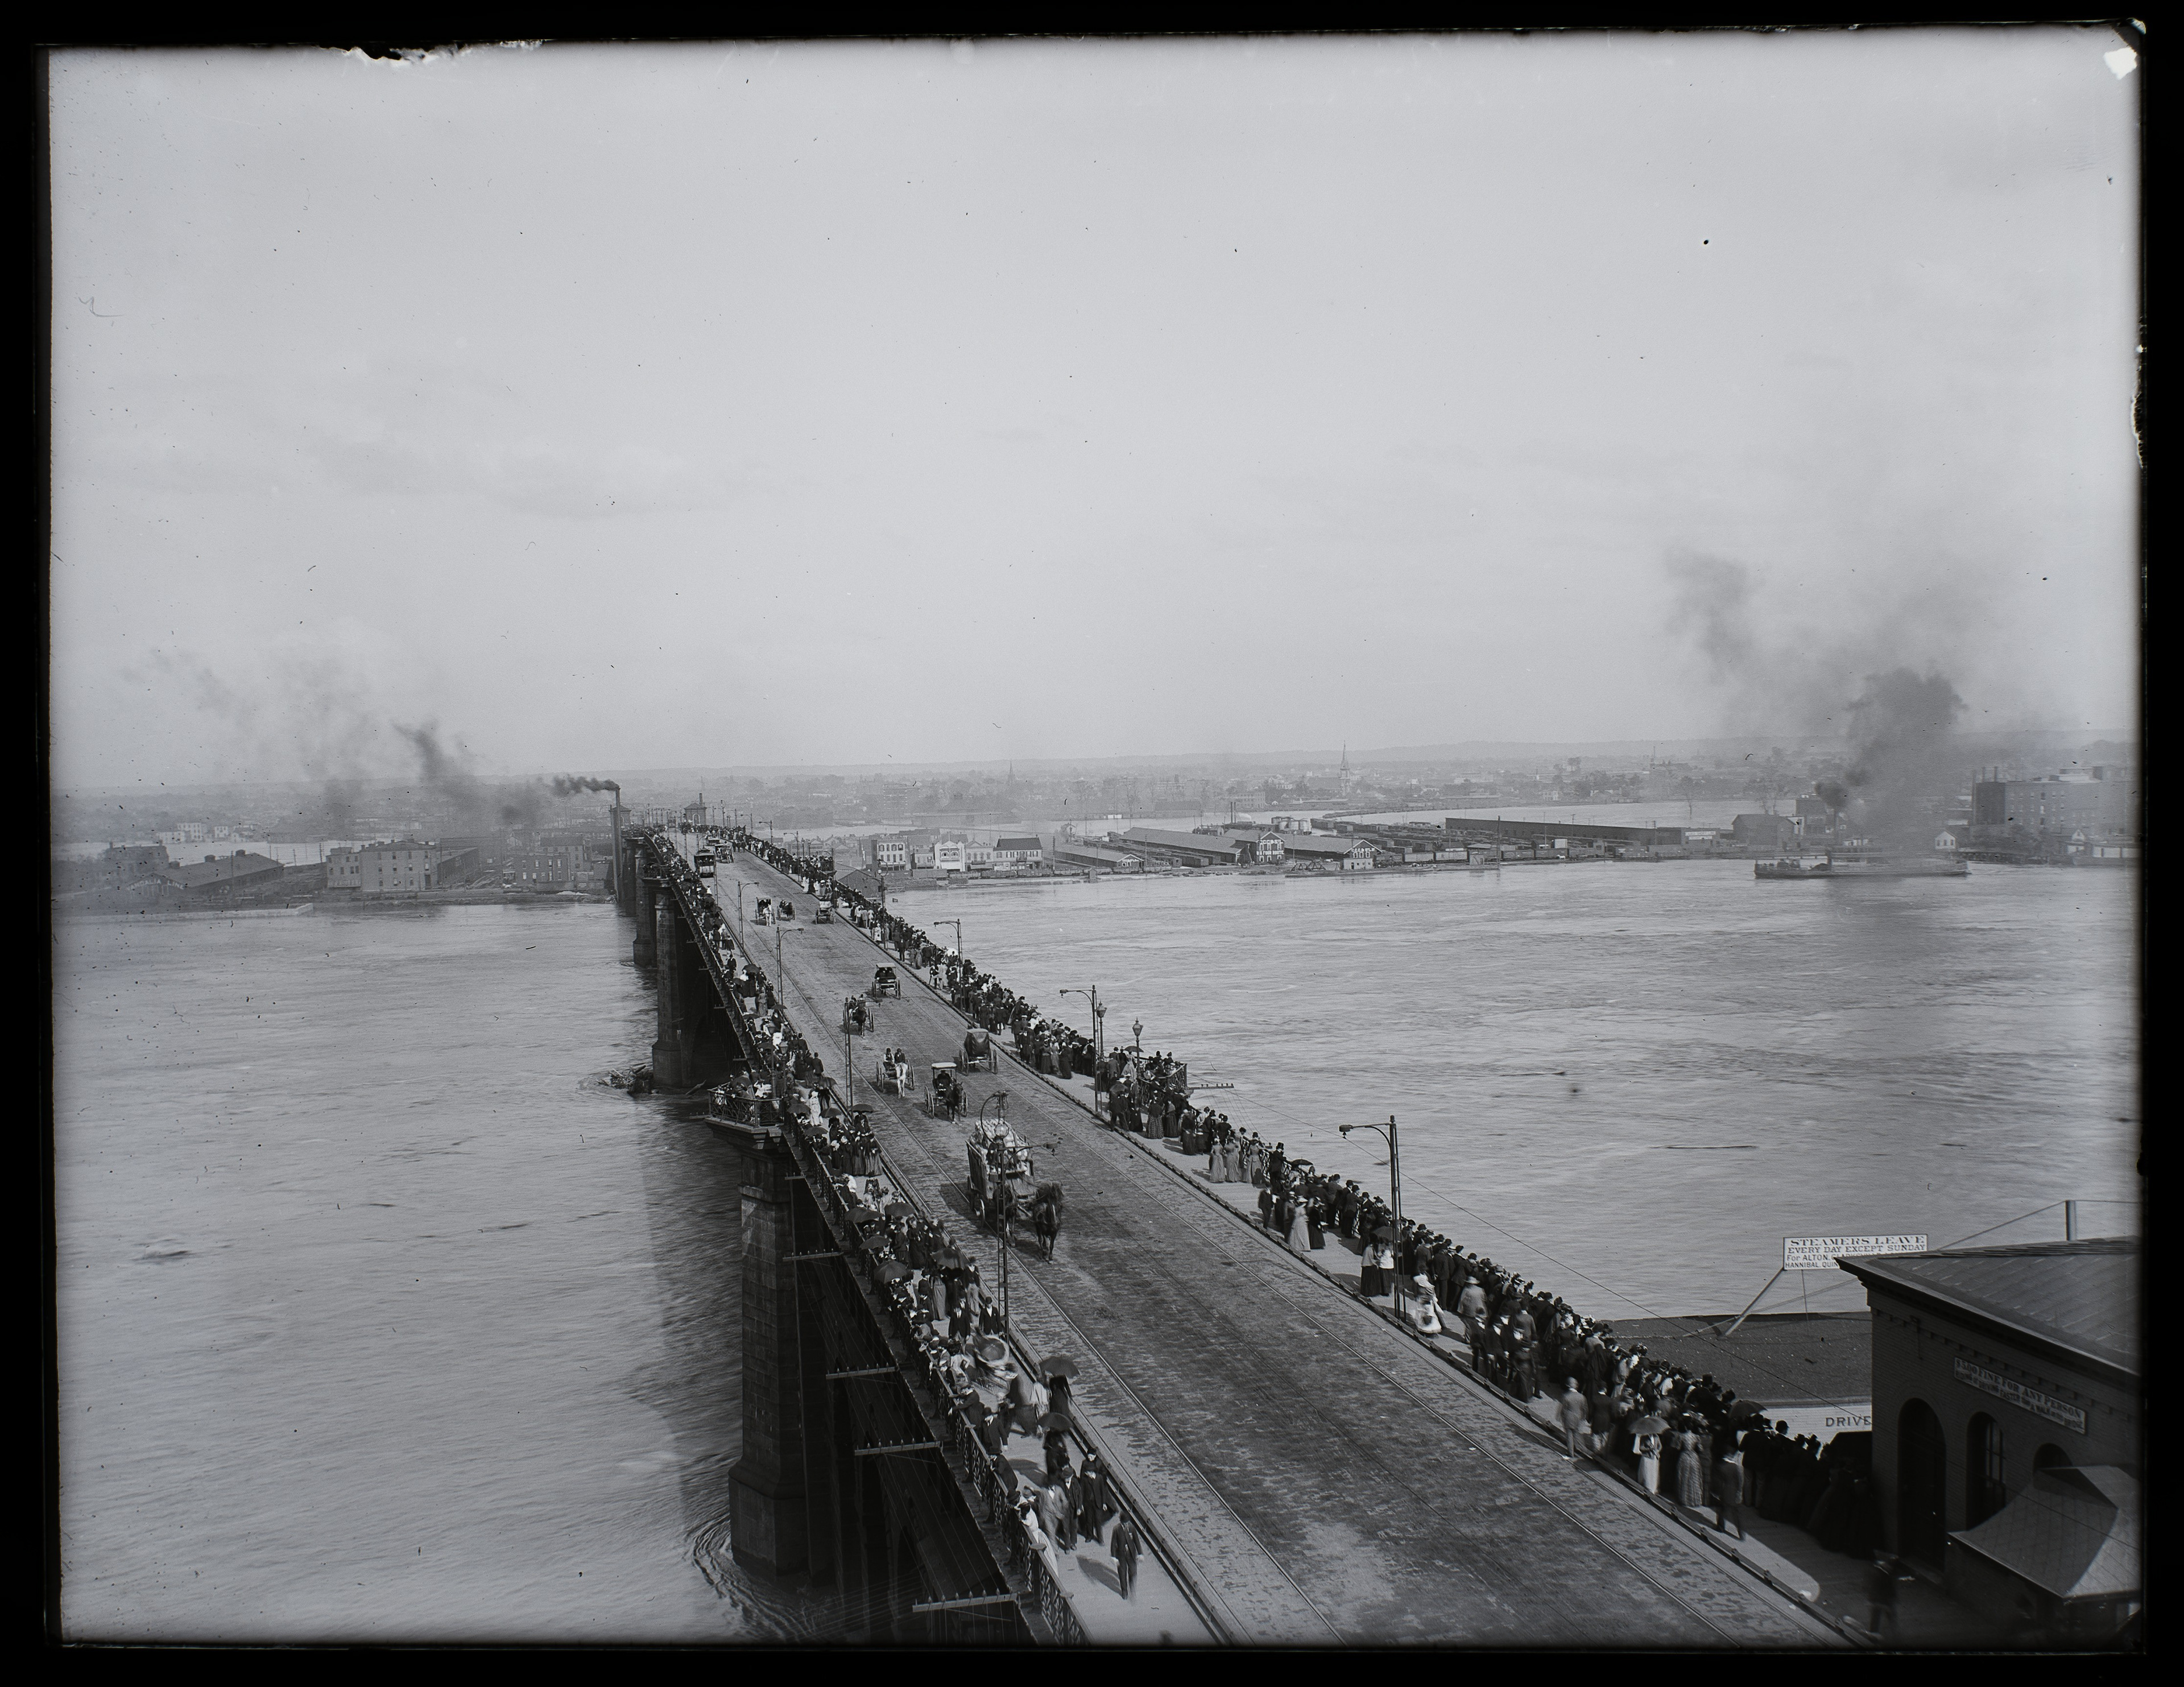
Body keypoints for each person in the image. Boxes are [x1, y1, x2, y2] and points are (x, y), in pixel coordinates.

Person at [1713, 1443, 1746, 1539]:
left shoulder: (1721, 1467)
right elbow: (1740, 1481)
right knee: (1736, 1514)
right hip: (1734, 1492)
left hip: (1724, 1493)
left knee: (1721, 1512)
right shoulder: (1736, 1467)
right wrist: (1739, 1492)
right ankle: (1741, 1533)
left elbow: (1718, 1483)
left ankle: (1721, 1528)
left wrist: (1716, 1493)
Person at [1109, 1512, 1141, 1601]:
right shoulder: (1116, 1529)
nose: (1127, 1525)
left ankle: (1132, 1586)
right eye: (1125, 1523)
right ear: (1122, 1522)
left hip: (1131, 1554)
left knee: (1133, 1571)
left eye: (1128, 1523)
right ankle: (1124, 1591)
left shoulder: (1132, 1528)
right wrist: (1113, 1557)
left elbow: (1137, 1541)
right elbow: (1113, 1543)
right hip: (1121, 1554)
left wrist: (1140, 1553)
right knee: (1122, 1573)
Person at [1558, 1377, 1590, 1460]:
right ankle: (1583, 1449)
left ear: (1568, 1386)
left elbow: (1563, 1410)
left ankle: (1571, 1453)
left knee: (1569, 1436)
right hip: (1578, 1418)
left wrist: (1561, 1417)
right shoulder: (1582, 1397)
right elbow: (1585, 1409)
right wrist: (1584, 1418)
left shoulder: (1566, 1396)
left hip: (1569, 1419)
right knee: (1577, 1434)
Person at [1636, 1428, 1663, 1495]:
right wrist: (1648, 1449)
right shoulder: (1644, 1437)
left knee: (1653, 1472)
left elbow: (1660, 1446)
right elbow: (1641, 1448)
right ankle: (1646, 1485)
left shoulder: (1657, 1437)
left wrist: (1657, 1451)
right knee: (1647, 1472)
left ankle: (1652, 1487)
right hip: (1647, 1457)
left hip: (1654, 1457)